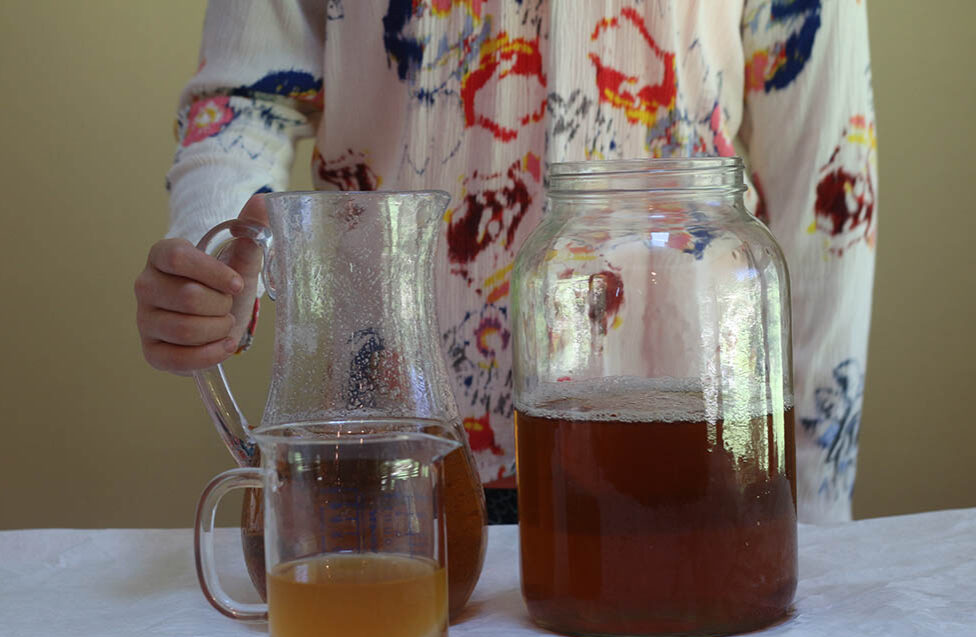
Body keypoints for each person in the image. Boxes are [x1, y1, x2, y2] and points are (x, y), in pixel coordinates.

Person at [135, 0, 877, 524]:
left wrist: (811, 503)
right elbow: (245, 94)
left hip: (682, 429)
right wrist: (221, 255)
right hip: (388, 437)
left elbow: (827, 188)